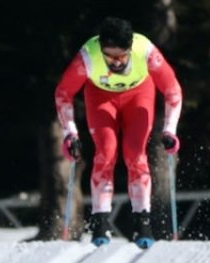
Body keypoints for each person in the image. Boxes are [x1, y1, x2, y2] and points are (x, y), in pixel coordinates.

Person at [54, 16, 182, 248]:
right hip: (101, 97)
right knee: (106, 152)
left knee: (135, 154)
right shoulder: (88, 56)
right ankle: (100, 224)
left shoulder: (146, 51)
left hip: (139, 95)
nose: (115, 62)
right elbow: (63, 93)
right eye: (109, 56)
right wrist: (69, 133)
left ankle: (143, 224)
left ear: (130, 48)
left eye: (122, 56)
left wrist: (170, 130)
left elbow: (173, 90)